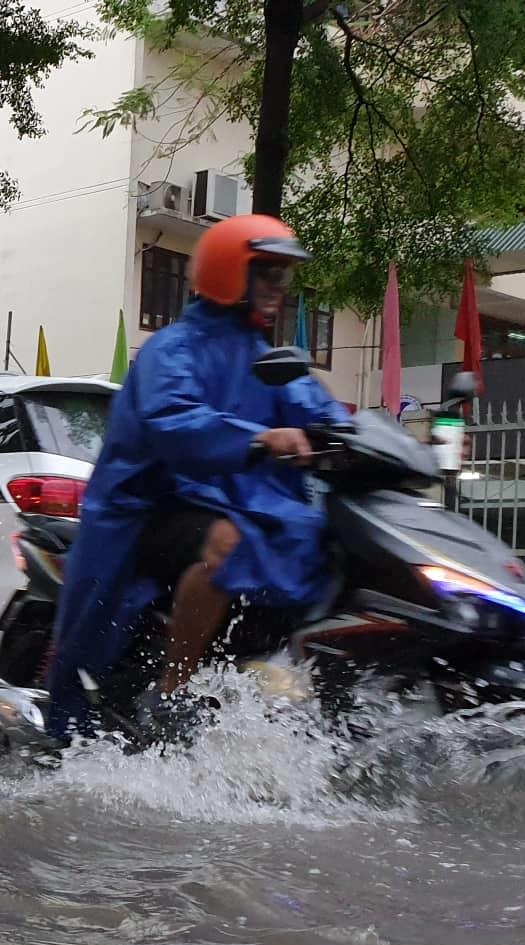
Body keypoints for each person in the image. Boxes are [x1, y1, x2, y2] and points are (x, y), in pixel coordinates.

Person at [45, 214, 349, 740]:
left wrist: (368, 438)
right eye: (268, 273)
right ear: (233, 273)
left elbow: (316, 406)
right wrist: (258, 438)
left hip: (234, 496)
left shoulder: (267, 356)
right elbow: (174, 420)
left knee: (327, 542)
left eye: (284, 276)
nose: (279, 288)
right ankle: (172, 690)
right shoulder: (172, 349)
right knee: (227, 544)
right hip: (152, 502)